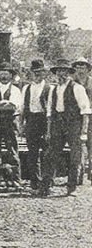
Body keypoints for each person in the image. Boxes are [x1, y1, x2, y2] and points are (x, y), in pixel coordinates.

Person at [41, 58, 91, 197]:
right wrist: (49, 130)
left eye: (64, 71)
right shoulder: (54, 89)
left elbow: (85, 111)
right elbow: (50, 112)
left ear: (69, 73)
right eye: (58, 72)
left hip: (74, 125)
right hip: (58, 124)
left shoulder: (77, 88)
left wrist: (83, 132)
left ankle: (71, 187)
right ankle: (45, 185)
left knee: (75, 157)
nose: (61, 74)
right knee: (51, 154)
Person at [18, 59, 50, 191]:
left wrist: (49, 128)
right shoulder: (27, 88)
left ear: (44, 73)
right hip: (31, 120)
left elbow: (50, 108)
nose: (37, 75)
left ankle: (47, 180)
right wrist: (21, 123)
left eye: (40, 72)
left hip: (44, 120)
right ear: (31, 73)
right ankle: (34, 180)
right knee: (32, 153)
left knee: (47, 152)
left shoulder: (50, 88)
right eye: (34, 72)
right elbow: (23, 107)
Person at [73, 57, 92, 185]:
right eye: (78, 67)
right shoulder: (72, 83)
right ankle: (78, 175)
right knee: (78, 145)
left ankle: (90, 172)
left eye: (83, 67)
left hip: (90, 117)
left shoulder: (91, 82)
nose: (80, 70)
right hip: (77, 117)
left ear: (87, 69)